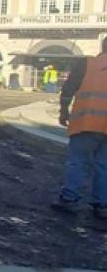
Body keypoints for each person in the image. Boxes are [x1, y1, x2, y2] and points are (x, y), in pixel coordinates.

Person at [52, 39, 107, 224]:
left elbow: (68, 89)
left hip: (85, 123)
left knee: (77, 162)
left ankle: (69, 199)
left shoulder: (87, 64)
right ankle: (101, 205)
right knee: (103, 166)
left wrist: (63, 110)